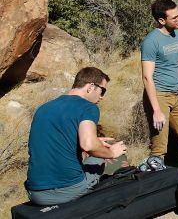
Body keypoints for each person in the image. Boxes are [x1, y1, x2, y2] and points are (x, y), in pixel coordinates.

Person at [25, 67, 128, 206]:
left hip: (35, 193)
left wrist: (95, 141)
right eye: (102, 90)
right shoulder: (88, 107)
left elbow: (57, 142)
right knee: (99, 160)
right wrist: (110, 153)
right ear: (91, 87)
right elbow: (88, 145)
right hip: (66, 190)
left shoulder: (44, 108)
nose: (102, 96)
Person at [141, 0, 178, 174]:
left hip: (176, 95)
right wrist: (156, 109)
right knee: (159, 147)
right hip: (158, 95)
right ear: (161, 20)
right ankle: (157, 187)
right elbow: (147, 77)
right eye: (175, 17)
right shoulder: (151, 41)